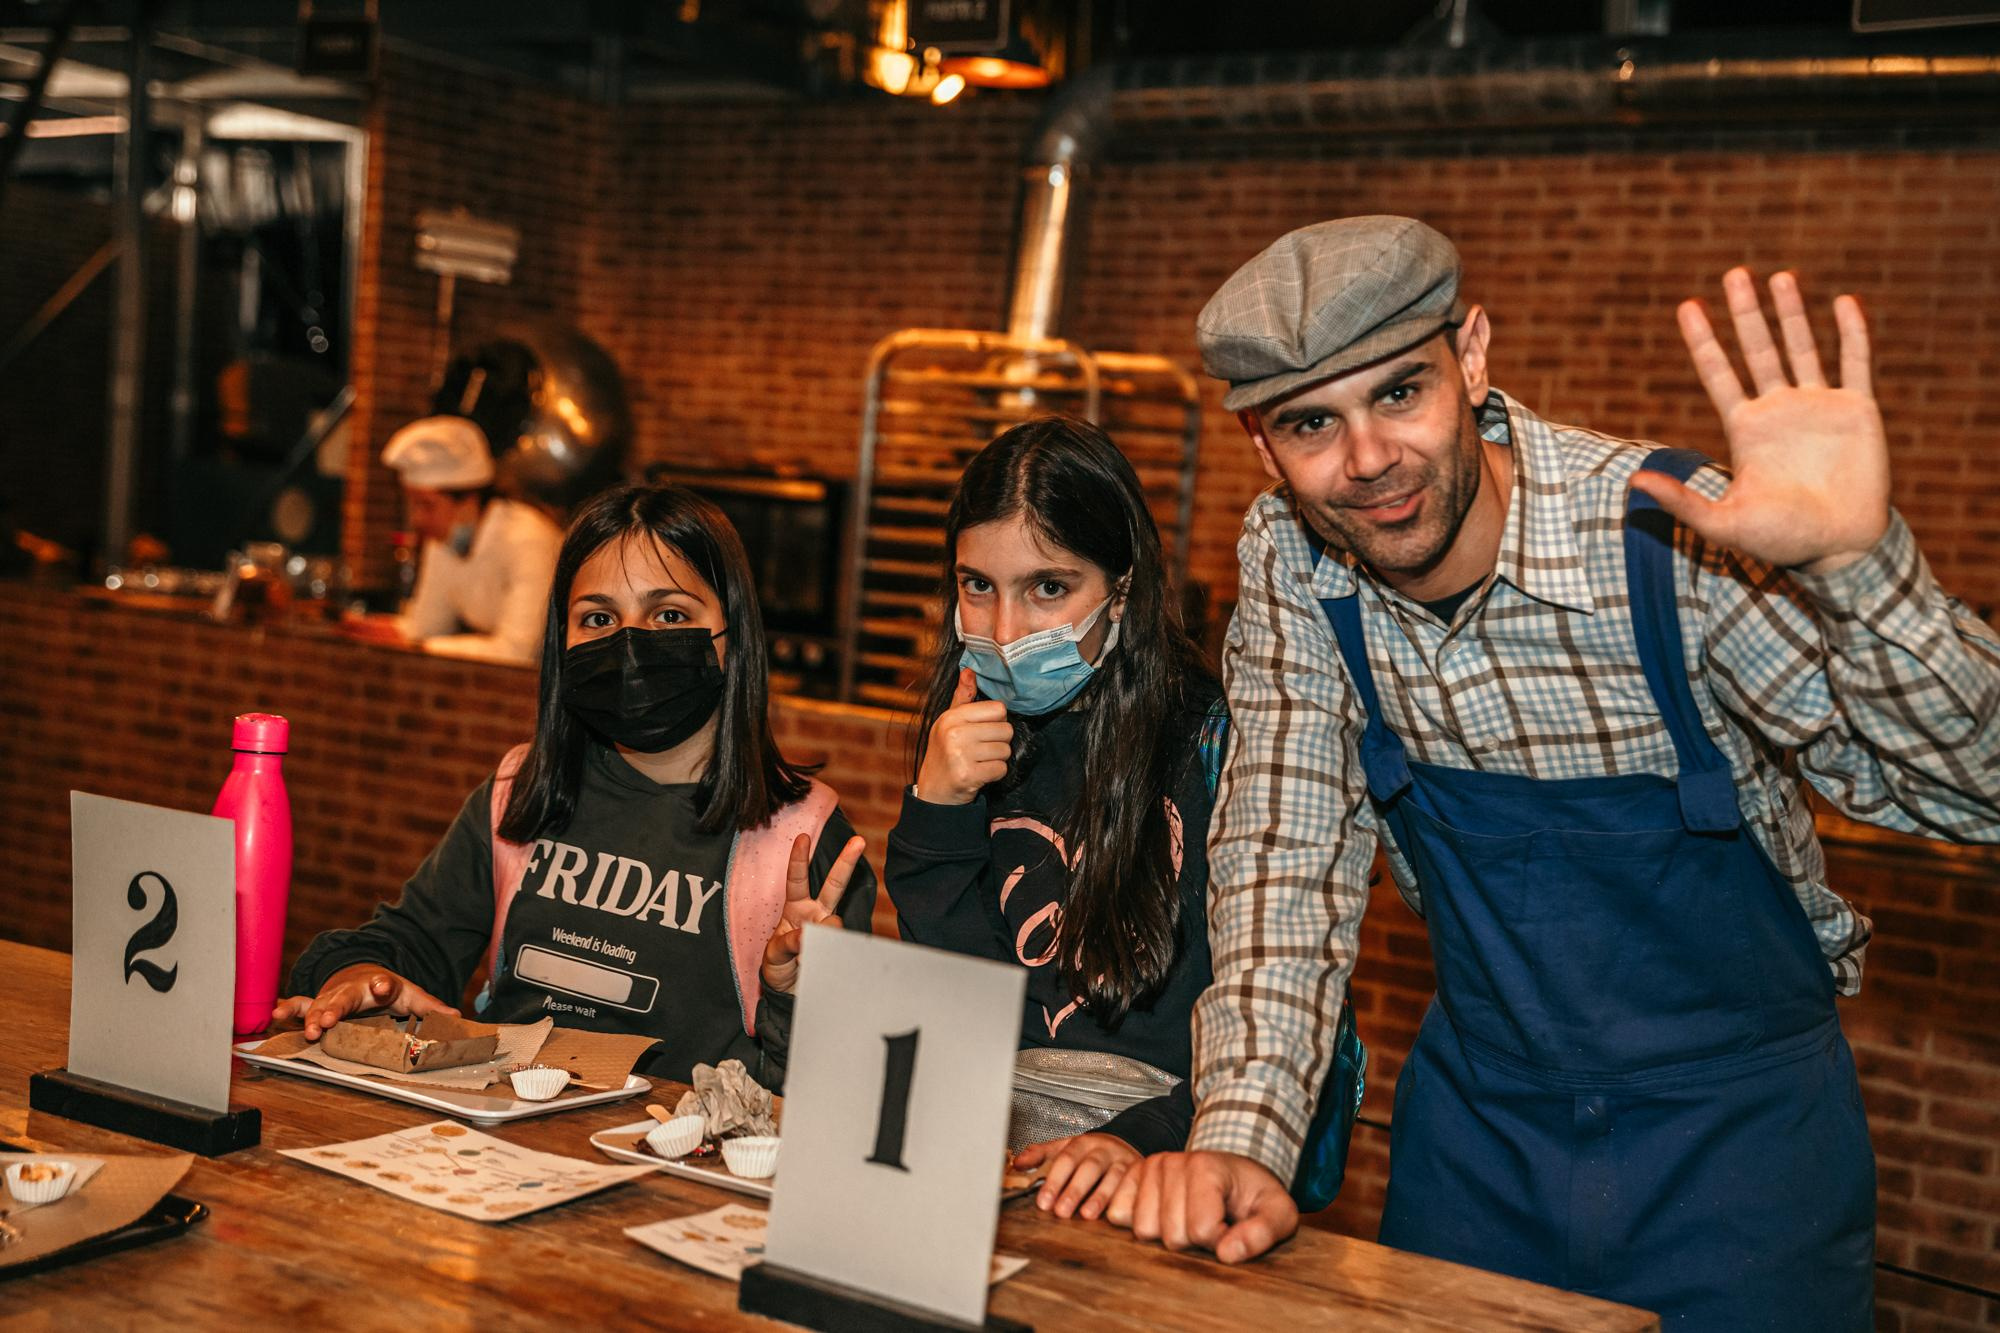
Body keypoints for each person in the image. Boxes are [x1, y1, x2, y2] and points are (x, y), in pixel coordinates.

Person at [1110, 216, 2000, 1328]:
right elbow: (1281, 864)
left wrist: (1855, 572)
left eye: (1399, 393)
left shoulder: (1668, 537)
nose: (1367, 459)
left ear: (1471, 356)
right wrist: (1243, 1132)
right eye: (1309, 423)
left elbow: (1976, 792)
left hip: (1740, 1157)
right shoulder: (1296, 564)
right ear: (1262, 445)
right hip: (1481, 1145)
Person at [281, 483, 876, 1087]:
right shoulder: (520, 792)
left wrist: (797, 1000)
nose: (629, 641)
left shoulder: (803, 844)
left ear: (732, 635)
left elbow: (837, 1087)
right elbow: (412, 942)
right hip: (497, 1149)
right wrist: (355, 978)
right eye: (598, 618)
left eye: (669, 615)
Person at [886, 417, 1226, 1223]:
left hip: (1162, 1161)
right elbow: (956, 1003)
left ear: (1124, 586)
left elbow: (1258, 1019)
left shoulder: (1209, 744)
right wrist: (935, 814)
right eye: (978, 586)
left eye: (1048, 588)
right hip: (995, 1147)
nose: (1005, 634)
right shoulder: (970, 729)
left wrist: (1142, 1139)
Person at [344, 415, 561, 665]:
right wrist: (374, 630)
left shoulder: (529, 541)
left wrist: (418, 646)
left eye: (426, 505)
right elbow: (426, 628)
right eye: (413, 505)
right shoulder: (444, 543)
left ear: (468, 500)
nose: (416, 519)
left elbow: (517, 652)